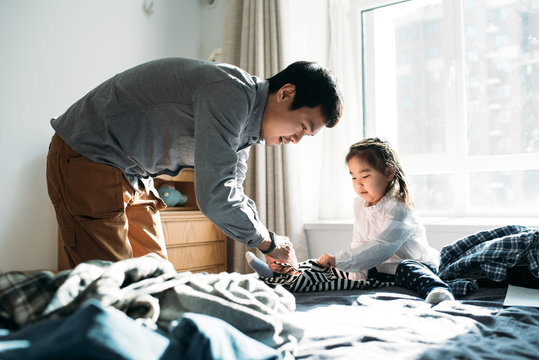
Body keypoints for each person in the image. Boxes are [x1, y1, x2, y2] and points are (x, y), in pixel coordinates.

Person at [46, 57, 343, 271]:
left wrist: (270, 240)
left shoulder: (247, 126)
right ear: (286, 93)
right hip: (89, 156)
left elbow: (232, 191)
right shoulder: (231, 94)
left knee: (156, 279)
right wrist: (267, 243)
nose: (296, 140)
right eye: (303, 127)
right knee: (112, 288)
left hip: (132, 173)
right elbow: (215, 197)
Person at [247, 137, 453, 304]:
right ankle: (281, 277)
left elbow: (382, 247)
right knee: (323, 267)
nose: (359, 184)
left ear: (389, 173)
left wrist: (341, 259)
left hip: (413, 266)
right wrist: (352, 274)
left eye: (365, 176)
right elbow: (360, 243)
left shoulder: (399, 208)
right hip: (379, 269)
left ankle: (437, 290)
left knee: (406, 267)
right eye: (353, 177)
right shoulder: (360, 204)